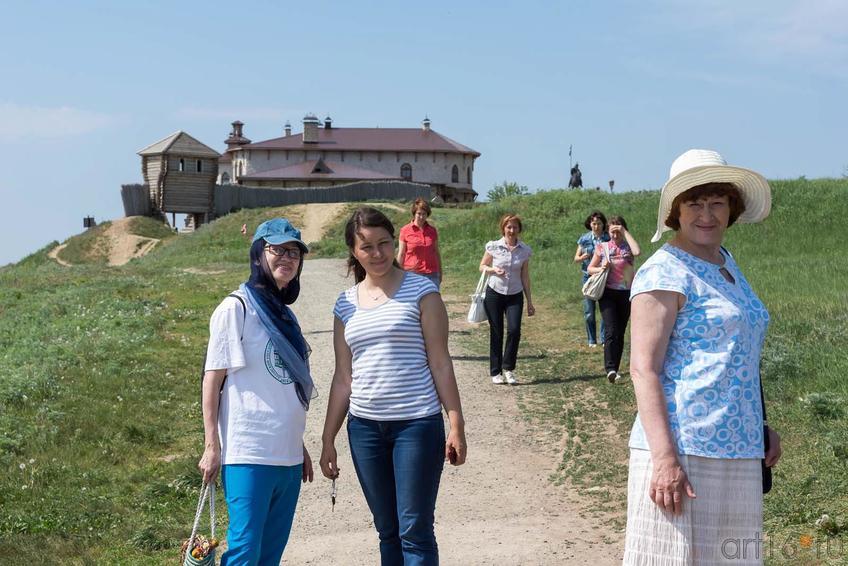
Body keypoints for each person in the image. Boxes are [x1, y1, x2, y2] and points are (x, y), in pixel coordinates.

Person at [623, 149, 783, 564]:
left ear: (732, 208)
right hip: (684, 449)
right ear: (676, 212)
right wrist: (664, 458)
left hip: (737, 448)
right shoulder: (663, 272)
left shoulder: (726, 262)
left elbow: (734, 354)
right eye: (695, 203)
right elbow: (644, 369)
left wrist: (758, 424)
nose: (707, 214)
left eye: (717, 203)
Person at [319, 207, 467, 565]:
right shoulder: (345, 304)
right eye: (367, 247)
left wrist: (456, 423)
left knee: (414, 530)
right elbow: (343, 378)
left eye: (384, 243)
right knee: (387, 530)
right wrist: (328, 440)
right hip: (365, 429)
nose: (378, 253)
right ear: (354, 252)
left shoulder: (422, 291)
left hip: (417, 425)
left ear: (395, 243)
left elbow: (440, 362)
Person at [199, 218, 315, 565]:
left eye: (294, 252)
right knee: (245, 553)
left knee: (270, 555)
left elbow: (283, 386)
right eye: (278, 249)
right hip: (248, 452)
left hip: (288, 456)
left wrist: (300, 444)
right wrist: (211, 446)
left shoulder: (286, 317)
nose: (287, 258)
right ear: (258, 254)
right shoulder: (237, 308)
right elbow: (212, 379)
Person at [479, 213, 535, 385]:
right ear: (503, 228)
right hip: (494, 293)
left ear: (519, 229)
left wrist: (530, 302)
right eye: (508, 227)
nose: (511, 230)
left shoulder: (524, 250)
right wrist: (493, 270)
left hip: (515, 295)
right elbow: (482, 266)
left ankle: (508, 369)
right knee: (496, 332)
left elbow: (525, 276)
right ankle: (496, 372)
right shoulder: (493, 246)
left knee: (514, 330)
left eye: (515, 227)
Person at [587, 215, 641, 383]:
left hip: (626, 293)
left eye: (618, 231)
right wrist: (601, 268)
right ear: (608, 231)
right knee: (611, 329)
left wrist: (624, 231)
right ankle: (610, 368)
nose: (615, 234)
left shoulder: (627, 248)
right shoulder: (602, 247)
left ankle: (615, 368)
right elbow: (590, 268)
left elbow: (638, 252)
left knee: (620, 331)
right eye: (612, 231)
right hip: (608, 293)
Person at [574, 211, 610, 347]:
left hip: (604, 276)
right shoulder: (584, 238)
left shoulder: (608, 238)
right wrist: (582, 257)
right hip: (588, 277)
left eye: (599, 223)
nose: (596, 226)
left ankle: (603, 339)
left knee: (605, 310)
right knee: (589, 310)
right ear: (590, 224)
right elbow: (576, 258)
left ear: (603, 224)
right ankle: (591, 340)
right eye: (594, 223)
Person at [397, 197, 443, 288]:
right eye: (419, 214)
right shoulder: (405, 230)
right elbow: (401, 254)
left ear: (427, 215)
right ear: (414, 214)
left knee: (432, 301)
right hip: (412, 274)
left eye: (424, 214)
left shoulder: (432, 231)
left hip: (432, 274)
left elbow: (436, 253)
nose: (421, 217)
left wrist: (440, 272)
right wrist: (397, 274)